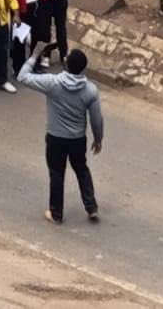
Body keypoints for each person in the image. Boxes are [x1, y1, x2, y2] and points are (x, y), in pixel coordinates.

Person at [18, 48, 103, 224]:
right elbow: (96, 119)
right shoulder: (90, 91)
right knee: (81, 169)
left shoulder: (52, 83)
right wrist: (98, 138)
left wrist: (34, 56)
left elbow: (23, 77)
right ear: (83, 68)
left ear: (66, 65)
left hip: (55, 137)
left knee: (57, 174)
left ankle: (56, 213)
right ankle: (91, 206)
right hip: (78, 139)